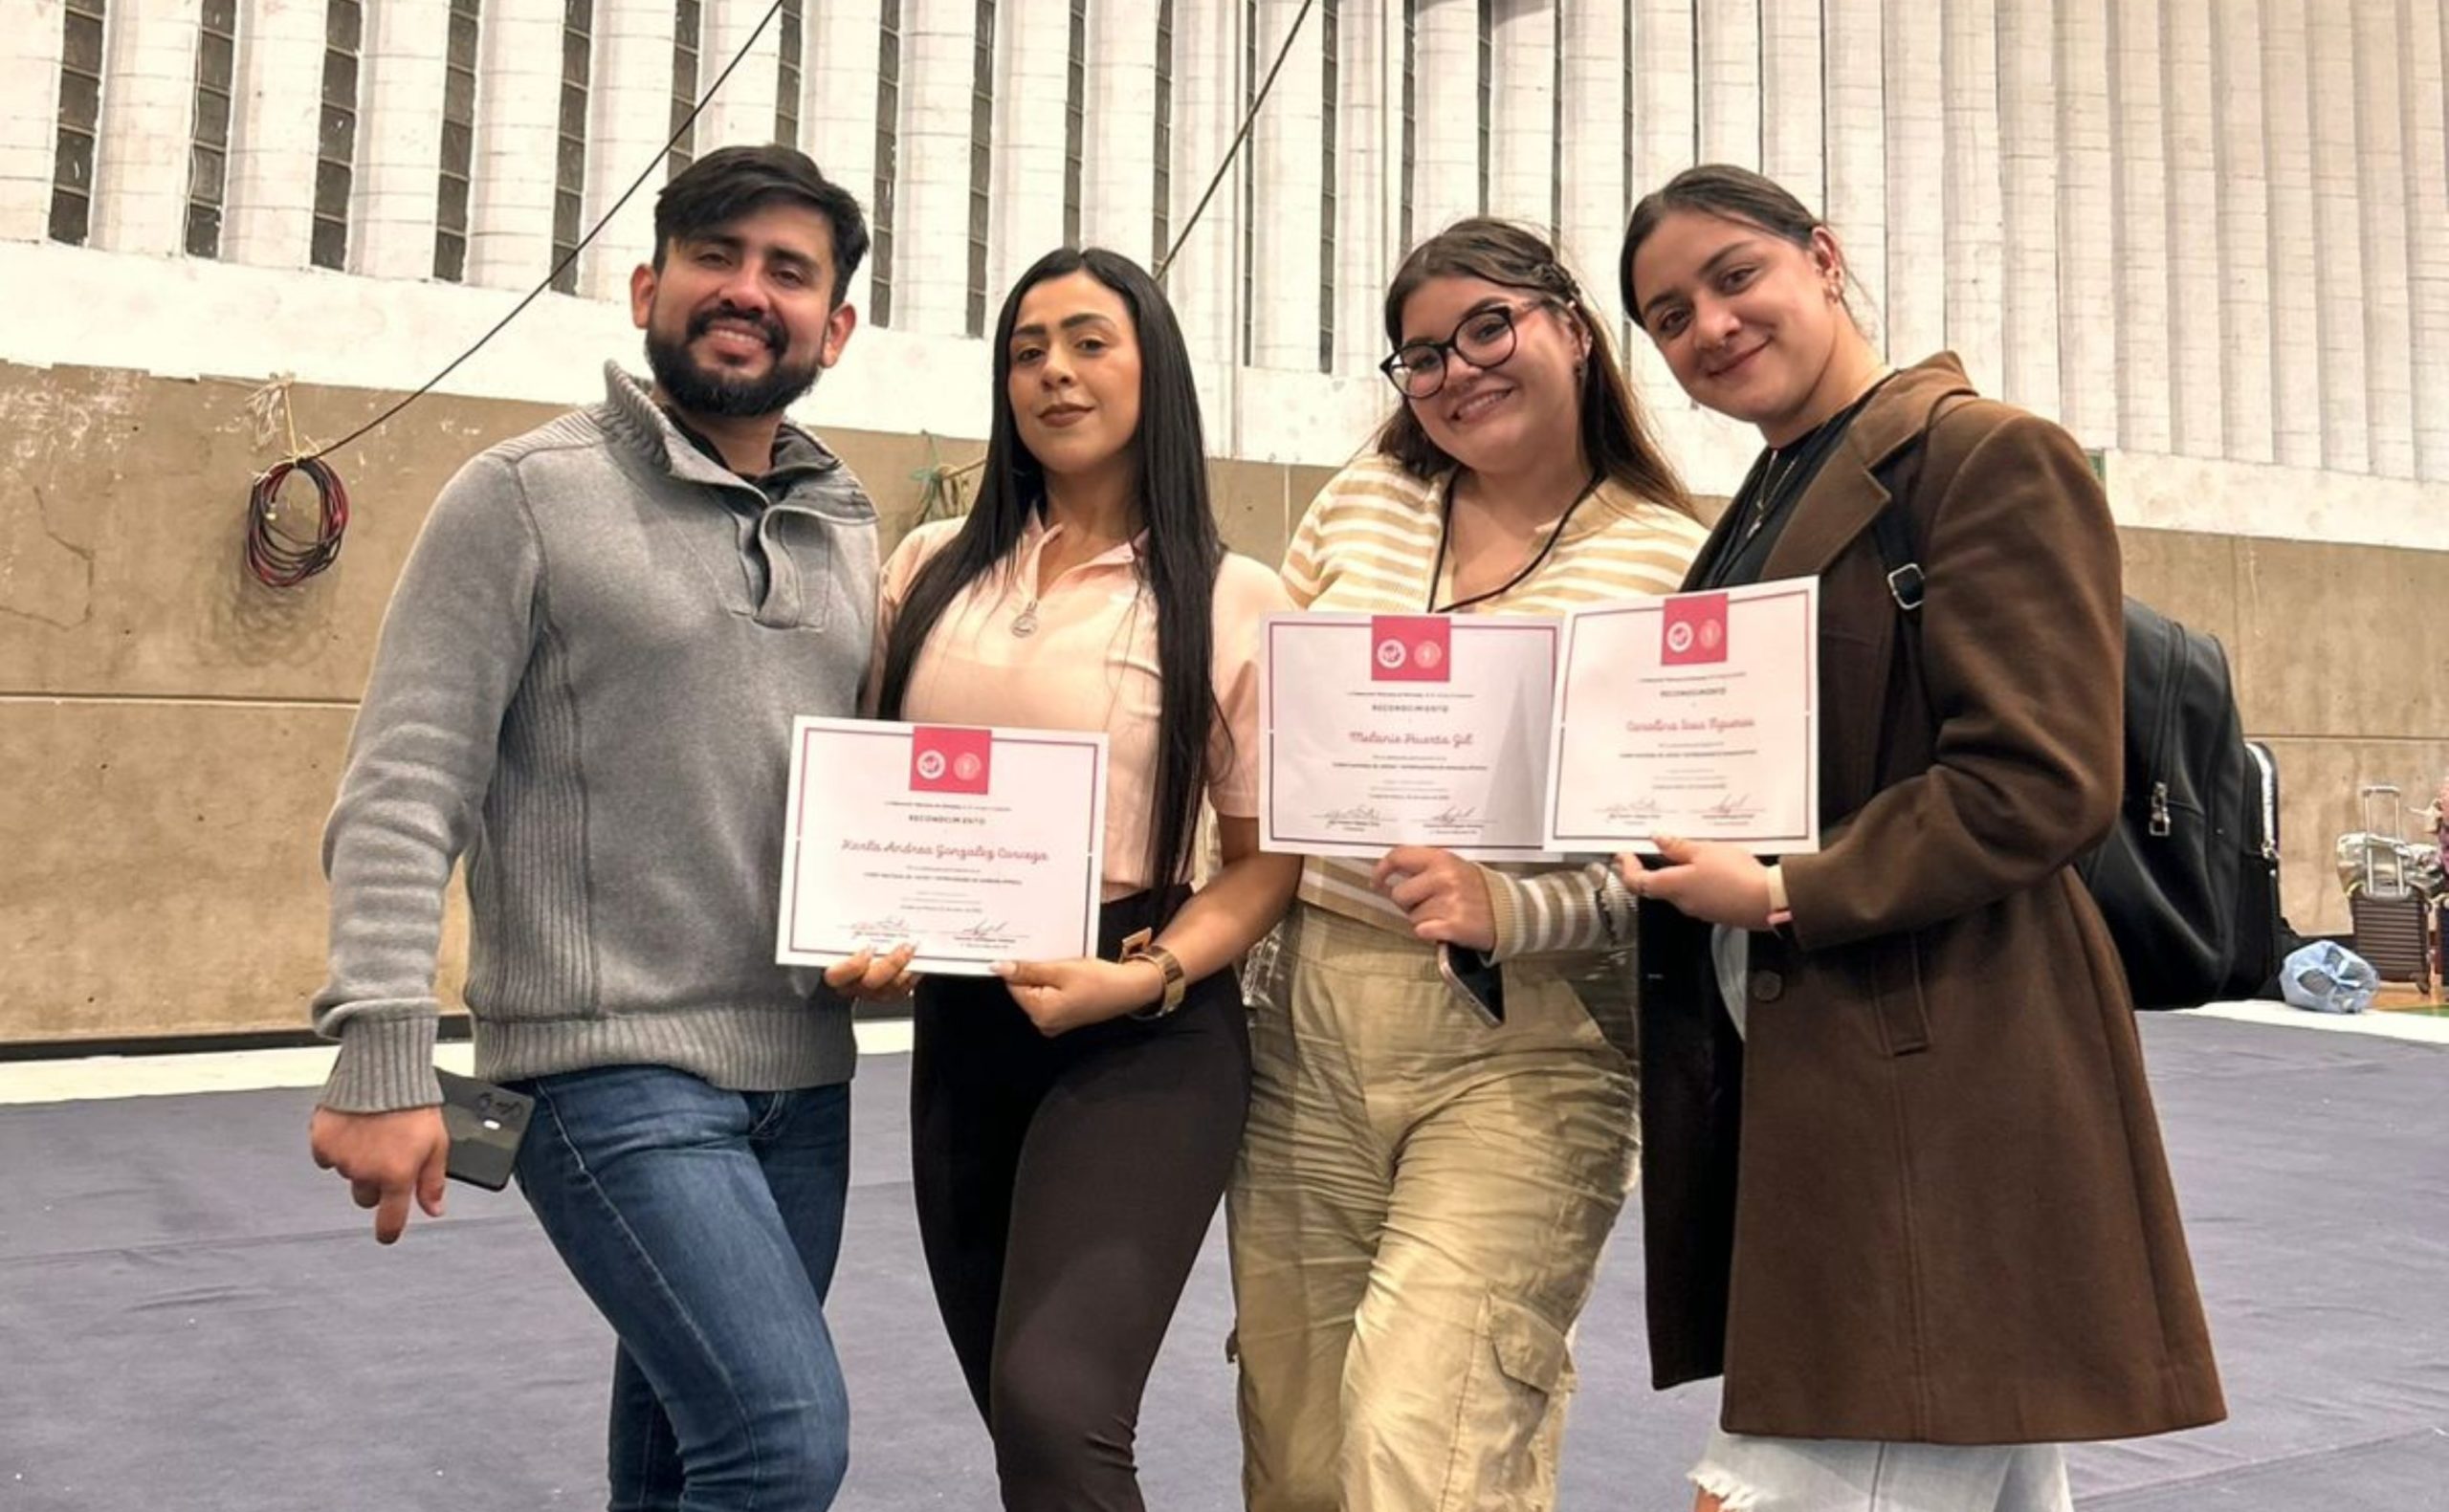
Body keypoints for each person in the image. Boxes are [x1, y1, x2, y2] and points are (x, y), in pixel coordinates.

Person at [1616, 164, 2225, 1512]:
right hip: (1819, 1059)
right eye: (1668, 316)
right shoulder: (1766, 500)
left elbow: (2038, 777)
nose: (1709, 326)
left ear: (1824, 259)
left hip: (1938, 1062)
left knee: (1784, 1479)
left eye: (1734, 276)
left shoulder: (1983, 455)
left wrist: (1785, 886)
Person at [306, 145, 889, 1512]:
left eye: (789, 271)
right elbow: (406, 784)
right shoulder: (521, 494)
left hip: (804, 1077)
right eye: (715, 257)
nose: (747, 291)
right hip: (605, 1066)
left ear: (835, 327)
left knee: (687, 1457)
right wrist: (381, 1049)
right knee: (780, 1442)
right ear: (646, 287)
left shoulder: (849, 530)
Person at [1229, 218, 1708, 1511]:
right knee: (1299, 1450)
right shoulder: (1361, 504)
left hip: (1528, 1043)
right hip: (1305, 1025)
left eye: (1489, 326)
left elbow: (1684, 855)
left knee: (1424, 1445)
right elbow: (1263, 746)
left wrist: (1513, 907)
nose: (1458, 370)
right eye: (1424, 354)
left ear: (1572, 328)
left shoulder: (1668, 557)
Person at [866, 246, 1301, 1512]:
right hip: (965, 1025)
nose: (1053, 371)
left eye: (1088, 342)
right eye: (1026, 349)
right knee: (1021, 1422)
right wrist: (864, 934)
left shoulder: (1233, 597)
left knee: (1057, 1404)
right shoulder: (928, 569)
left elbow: (1264, 863)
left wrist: (1148, 975)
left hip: (1144, 1028)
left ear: (1153, 368)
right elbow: (874, 802)